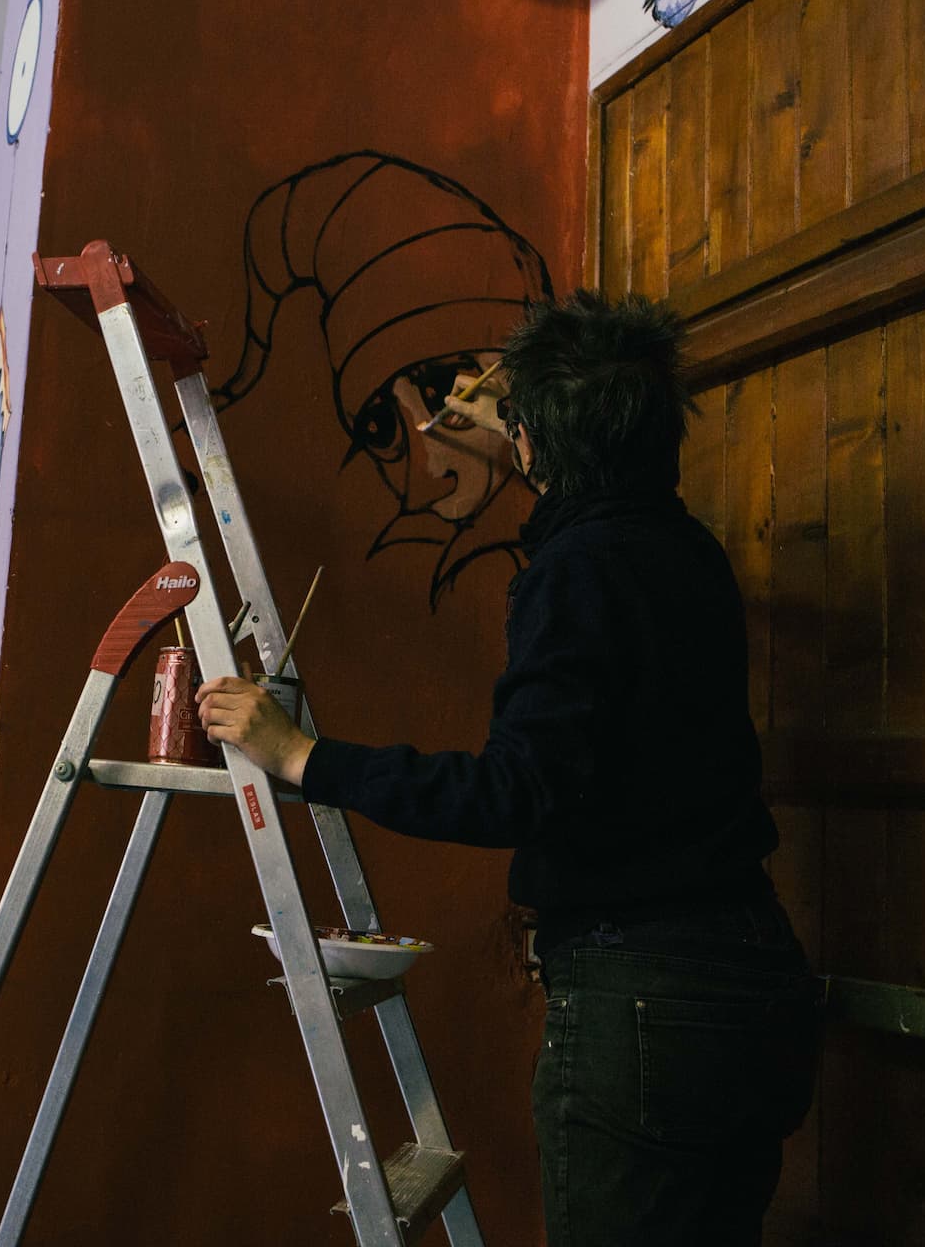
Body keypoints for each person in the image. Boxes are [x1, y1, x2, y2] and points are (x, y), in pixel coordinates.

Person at [196, 291, 821, 1246]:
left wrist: (302, 756)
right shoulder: (689, 553)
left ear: (531, 445)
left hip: (643, 992)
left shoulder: (578, 568)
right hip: (753, 977)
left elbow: (516, 791)